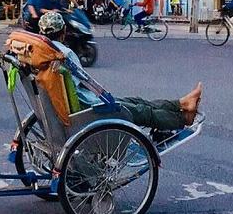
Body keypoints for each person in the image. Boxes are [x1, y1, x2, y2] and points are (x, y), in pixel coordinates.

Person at [36, 11, 202, 130]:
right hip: (88, 109)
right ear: (63, 32)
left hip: (80, 103)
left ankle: (181, 103)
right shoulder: (64, 54)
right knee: (141, 110)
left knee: (136, 101)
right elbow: (87, 82)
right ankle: (182, 118)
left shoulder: (43, 54)